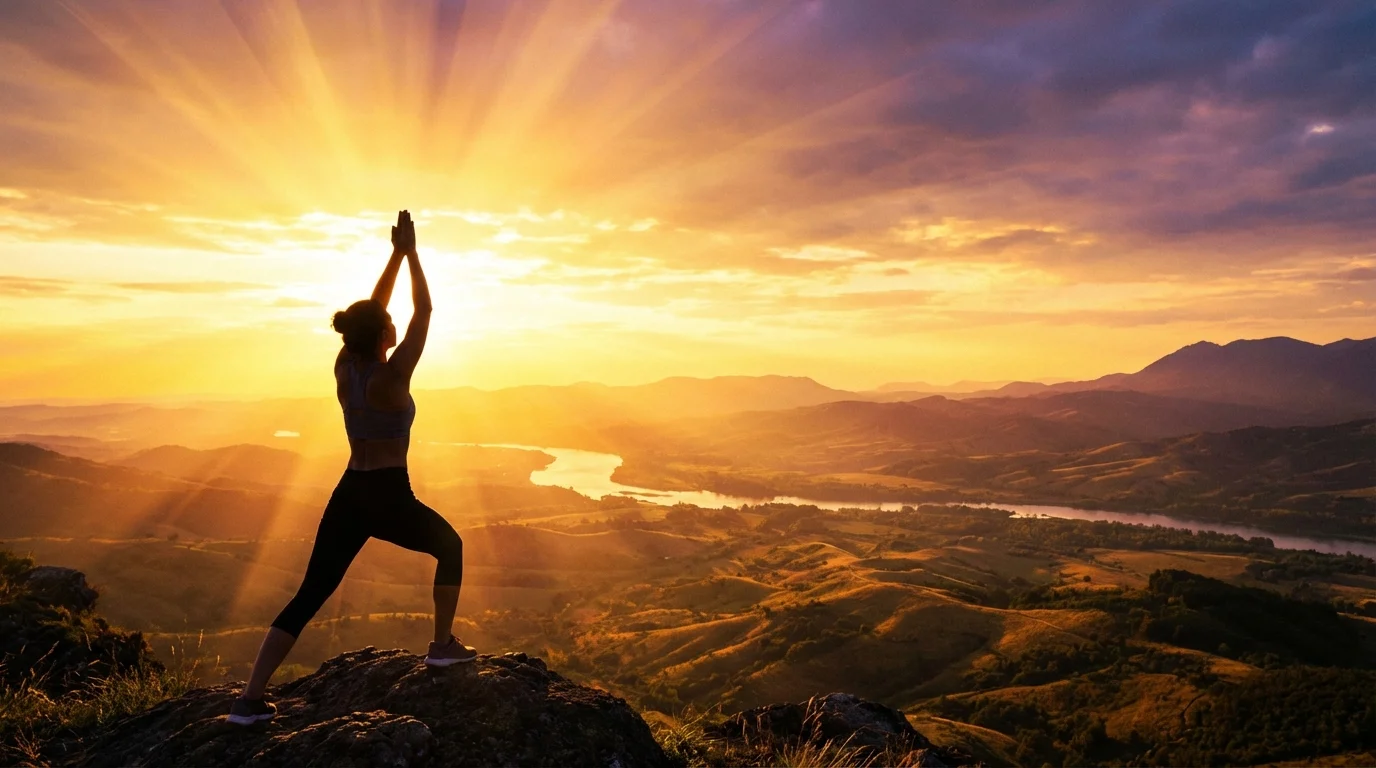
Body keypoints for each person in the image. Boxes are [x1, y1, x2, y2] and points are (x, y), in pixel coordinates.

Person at [230, 210, 476, 726]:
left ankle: (249, 700)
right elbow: (423, 310)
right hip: (389, 495)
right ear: (385, 336)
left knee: (310, 593)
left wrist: (395, 255)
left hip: (350, 491)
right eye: (388, 325)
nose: (393, 323)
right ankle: (441, 646)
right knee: (449, 547)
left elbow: (374, 310)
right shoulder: (392, 378)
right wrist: (413, 256)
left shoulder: (347, 365)